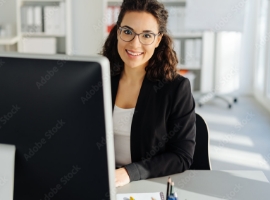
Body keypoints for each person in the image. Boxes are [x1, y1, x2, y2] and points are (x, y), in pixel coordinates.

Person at [101, 0, 196, 188]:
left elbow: (181, 156)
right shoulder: (98, 79)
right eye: (127, 32)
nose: (135, 44)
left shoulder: (176, 88)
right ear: (117, 31)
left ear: (158, 40)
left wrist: (130, 172)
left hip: (148, 183)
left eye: (146, 35)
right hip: (101, 180)